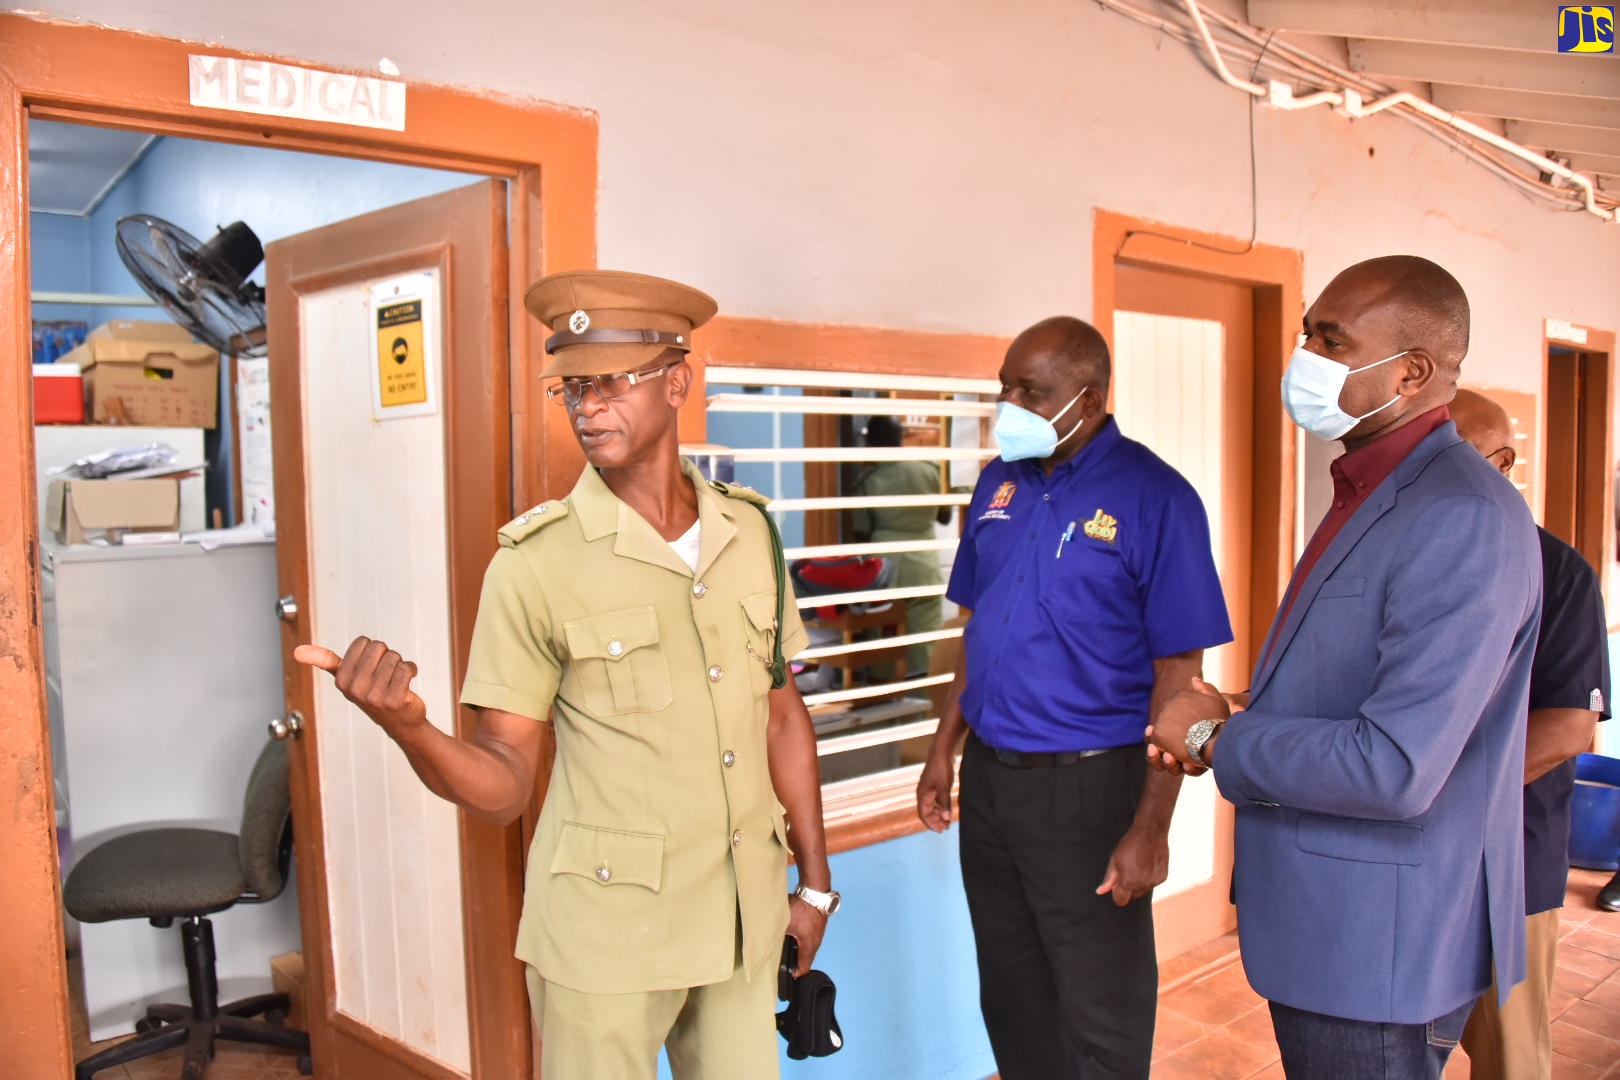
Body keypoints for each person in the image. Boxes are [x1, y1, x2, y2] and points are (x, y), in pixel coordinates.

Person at [295, 270, 836, 1080]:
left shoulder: (749, 531)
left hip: (743, 920)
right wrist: (411, 729)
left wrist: (815, 885)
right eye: (572, 387)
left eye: (611, 383)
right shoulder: (533, 567)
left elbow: (781, 715)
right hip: (605, 935)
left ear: (677, 381)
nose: (587, 407)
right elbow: (508, 782)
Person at [1146, 256, 1542, 1080]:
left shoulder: (1460, 515)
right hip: (1333, 929)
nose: (1307, 360)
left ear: (1412, 371)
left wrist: (1220, 735)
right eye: (1306, 335)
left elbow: (1396, 764)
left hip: (1383, 948)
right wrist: (1238, 708)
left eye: (1331, 341)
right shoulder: (1371, 490)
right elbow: (1346, 680)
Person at [915, 316, 1232, 1079]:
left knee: (1100, 1009)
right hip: (992, 782)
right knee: (1013, 993)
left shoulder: (1158, 498)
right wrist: (941, 752)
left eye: (1030, 390)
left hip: (1090, 789)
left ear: (1086, 400)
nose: (1008, 402)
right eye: (1005, 385)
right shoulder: (999, 483)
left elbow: (1179, 683)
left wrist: (1151, 829)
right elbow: (979, 630)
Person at [1450, 388, 1610, 1079]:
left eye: (1451, 454)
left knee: (1508, 1055)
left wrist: (1439, 795)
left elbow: (1571, 726)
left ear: (1503, 460)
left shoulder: (1559, 573)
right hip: (1405, 866)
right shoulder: (1407, 561)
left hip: (1507, 860)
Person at [849, 414, 951, 677]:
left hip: (884, 564)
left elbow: (861, 530)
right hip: (923, 564)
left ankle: (885, 691)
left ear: (871, 442)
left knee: (883, 632)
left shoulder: (869, 480)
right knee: (926, 636)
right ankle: (926, 696)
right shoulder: (929, 470)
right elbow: (945, 516)